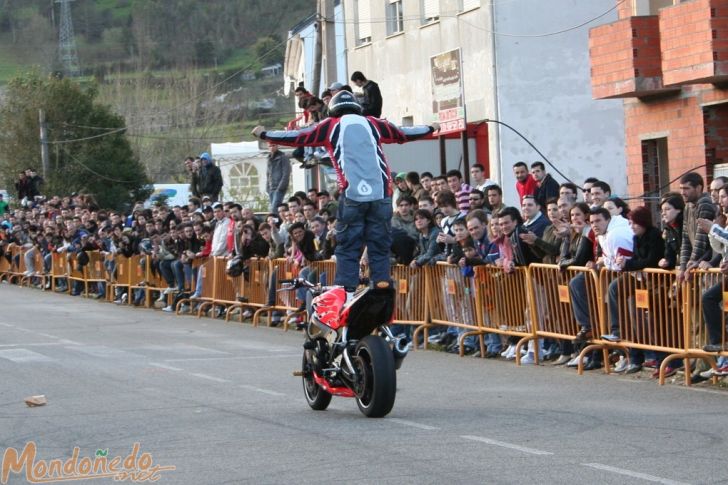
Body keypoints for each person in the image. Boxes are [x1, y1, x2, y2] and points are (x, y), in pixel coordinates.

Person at [251, 90, 437, 298]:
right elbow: (403, 132)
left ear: (333, 110)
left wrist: (265, 134)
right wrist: (430, 128)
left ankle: (347, 289)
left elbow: (298, 136)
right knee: (379, 242)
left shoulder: (331, 126)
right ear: (357, 107)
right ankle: (382, 282)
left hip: (353, 196)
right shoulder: (373, 123)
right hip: (381, 195)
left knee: (348, 243)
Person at [677, 172, 716, 283]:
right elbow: (686, 240)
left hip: (708, 264)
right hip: (697, 264)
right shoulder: (688, 206)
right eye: (681, 188)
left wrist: (690, 265)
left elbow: (701, 241)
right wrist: (683, 267)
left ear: (698, 188)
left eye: (686, 188)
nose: (682, 192)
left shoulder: (705, 204)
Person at [266, 142, 291, 212]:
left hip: (279, 187)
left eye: (273, 145)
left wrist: (280, 187)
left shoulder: (283, 157)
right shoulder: (269, 158)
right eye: (270, 146)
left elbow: (286, 173)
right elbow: (268, 174)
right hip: (271, 187)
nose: (272, 148)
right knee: (275, 208)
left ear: (277, 146)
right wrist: (267, 187)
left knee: (274, 209)